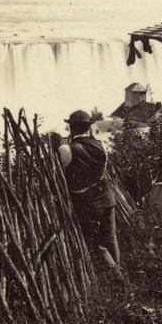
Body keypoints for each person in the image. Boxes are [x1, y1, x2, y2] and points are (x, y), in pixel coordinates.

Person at [59, 109, 121, 274]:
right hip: (107, 197)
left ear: (71, 128)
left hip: (86, 202)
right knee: (110, 237)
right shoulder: (102, 146)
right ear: (88, 127)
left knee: (96, 243)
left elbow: (61, 174)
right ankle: (118, 270)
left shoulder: (66, 149)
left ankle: (118, 278)